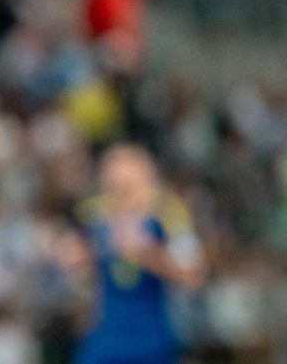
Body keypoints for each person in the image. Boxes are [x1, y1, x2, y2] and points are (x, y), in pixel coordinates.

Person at [63, 144, 204, 364]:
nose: (121, 193)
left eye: (128, 185)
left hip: (152, 336)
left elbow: (193, 276)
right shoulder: (94, 214)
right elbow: (82, 264)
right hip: (106, 334)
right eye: (114, 185)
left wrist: (147, 253)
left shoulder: (169, 213)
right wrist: (75, 259)